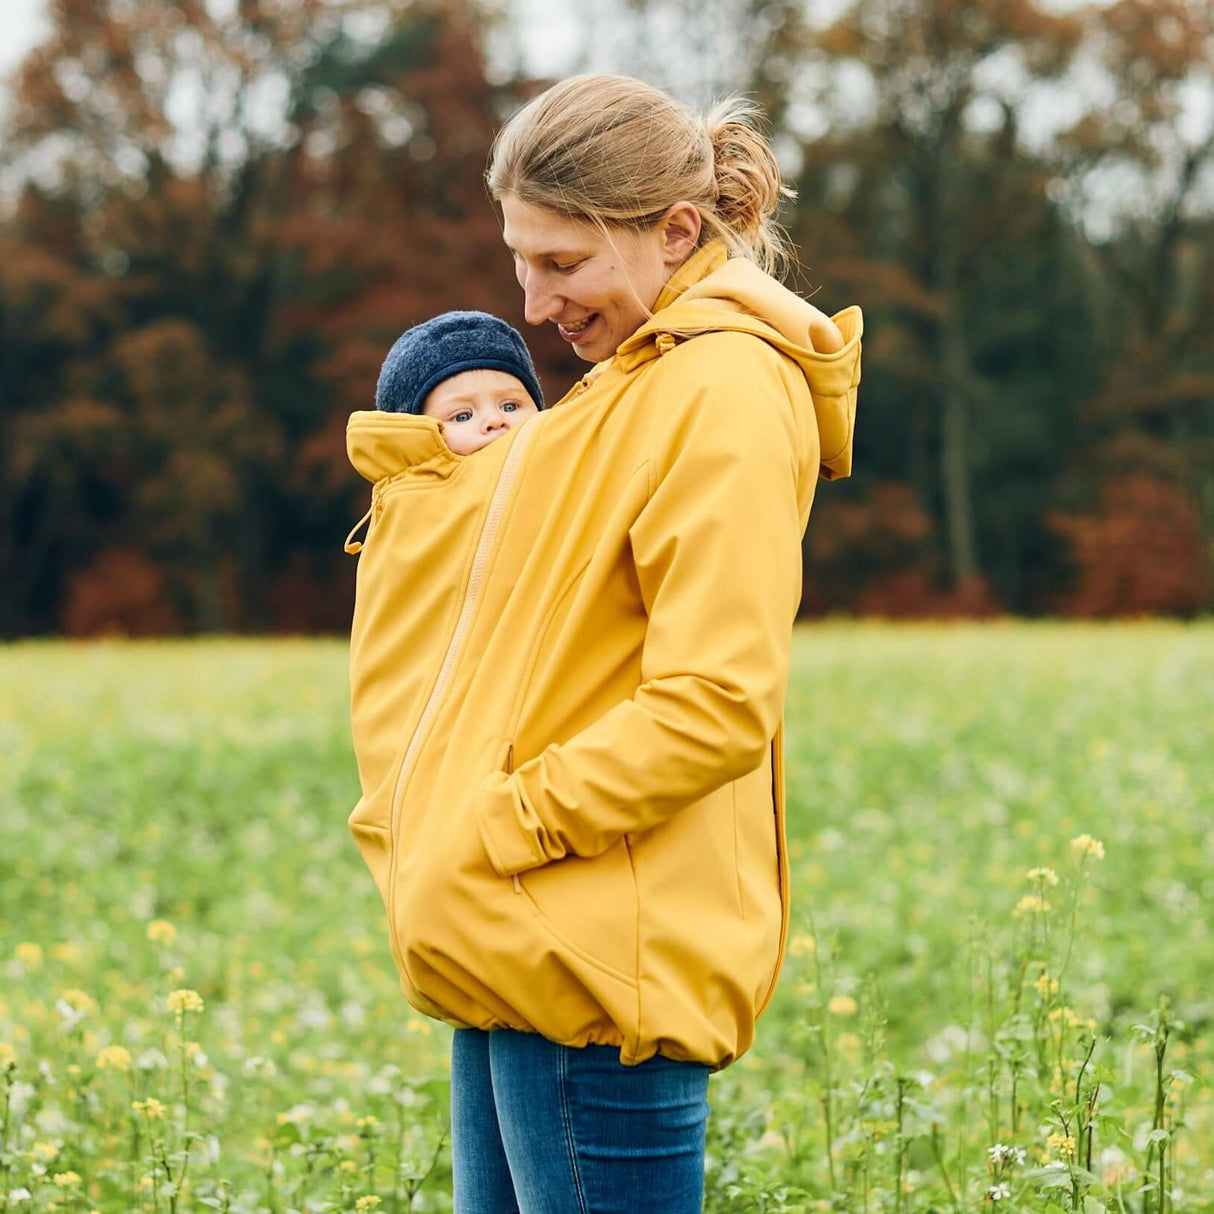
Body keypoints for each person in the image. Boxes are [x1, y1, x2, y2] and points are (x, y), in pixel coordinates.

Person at [343, 73, 863, 1212]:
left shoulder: (723, 387)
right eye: (520, 261)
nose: (533, 306)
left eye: (563, 262)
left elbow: (714, 701)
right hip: (519, 943)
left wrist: (505, 824)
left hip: (587, 963)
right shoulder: (632, 380)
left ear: (674, 231)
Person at [374, 310, 544, 455]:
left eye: (510, 407)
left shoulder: (557, 471)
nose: (495, 420)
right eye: (462, 417)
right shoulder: (415, 486)